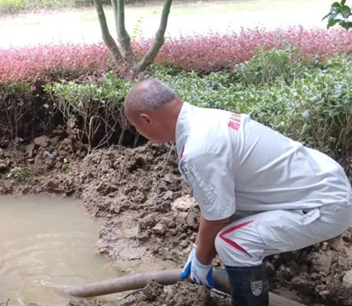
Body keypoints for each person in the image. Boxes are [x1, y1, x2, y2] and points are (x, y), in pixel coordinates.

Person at [124, 79, 352, 305]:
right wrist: (198, 250)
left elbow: (219, 217)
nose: (140, 131)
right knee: (230, 231)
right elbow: (223, 208)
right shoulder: (205, 118)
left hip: (324, 205)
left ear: (146, 120)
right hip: (322, 181)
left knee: (232, 242)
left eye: (136, 127)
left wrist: (201, 260)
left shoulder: (199, 149)